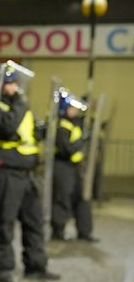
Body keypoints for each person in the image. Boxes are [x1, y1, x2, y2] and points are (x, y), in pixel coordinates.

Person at [0, 67, 60, 282]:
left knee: (34, 221)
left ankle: (36, 265)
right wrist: (21, 104)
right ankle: (2, 268)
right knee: (4, 222)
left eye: (14, 83)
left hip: (27, 174)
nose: (13, 87)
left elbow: (25, 132)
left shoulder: (17, 105)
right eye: (8, 83)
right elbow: (7, 127)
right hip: (6, 172)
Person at [51, 91, 99, 242]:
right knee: (62, 198)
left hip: (74, 167)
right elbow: (67, 149)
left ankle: (85, 232)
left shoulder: (74, 123)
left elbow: (87, 116)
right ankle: (58, 230)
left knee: (82, 199)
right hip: (62, 165)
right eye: (71, 108)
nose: (74, 110)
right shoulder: (62, 126)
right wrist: (82, 141)